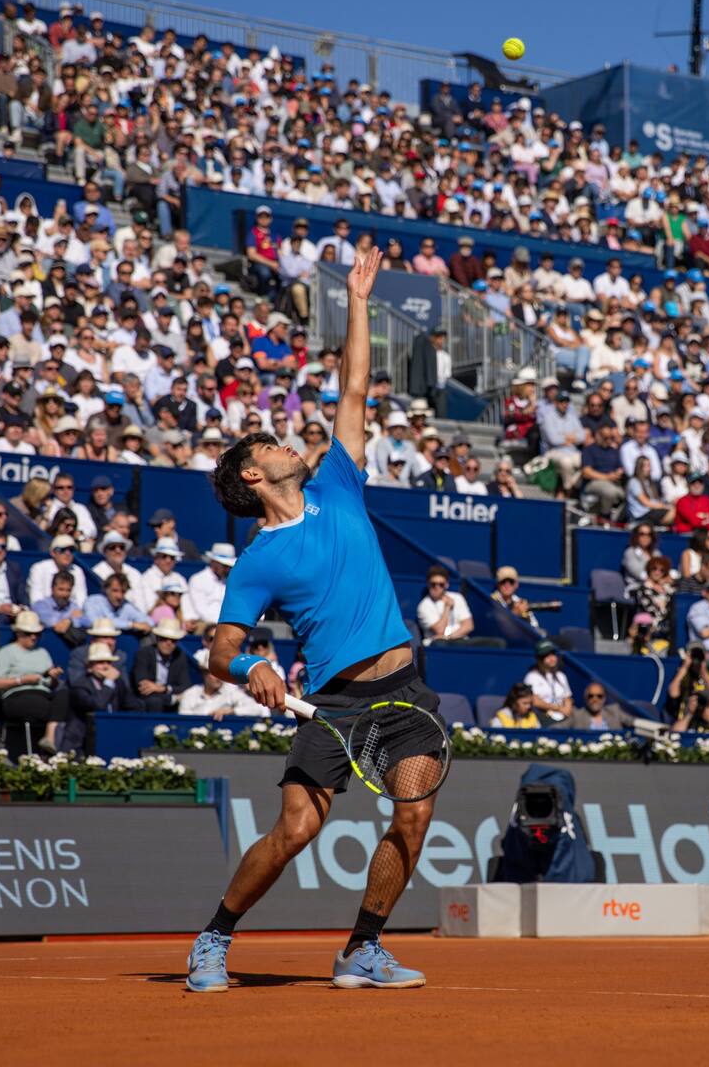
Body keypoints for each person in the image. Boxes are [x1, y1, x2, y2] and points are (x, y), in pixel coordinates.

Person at [186, 247, 432, 993]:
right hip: (333, 707)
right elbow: (217, 648)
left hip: (405, 690)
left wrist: (358, 300)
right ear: (253, 476)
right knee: (297, 830)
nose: (285, 438)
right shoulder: (259, 557)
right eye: (268, 443)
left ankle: (362, 948)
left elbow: (354, 389)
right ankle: (214, 937)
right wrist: (249, 666)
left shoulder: (341, 486)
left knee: (413, 818)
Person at [0, 610, 67, 754]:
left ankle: (49, 737)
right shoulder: (6, 652)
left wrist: (53, 678)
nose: (33, 637)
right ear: (18, 633)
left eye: (37, 634)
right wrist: (22, 680)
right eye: (29, 633)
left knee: (65, 694)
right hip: (17, 697)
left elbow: (50, 683)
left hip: (43, 694)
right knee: (36, 705)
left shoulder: (43, 653)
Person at [64, 642, 143, 753]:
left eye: (108, 662)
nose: (106, 666)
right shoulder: (80, 686)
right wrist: (109, 682)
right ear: (90, 667)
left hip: (112, 735)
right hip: (83, 741)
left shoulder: (117, 683)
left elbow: (132, 706)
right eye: (100, 662)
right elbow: (98, 705)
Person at [132, 617, 195, 710]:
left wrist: (164, 688)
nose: (168, 643)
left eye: (173, 640)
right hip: (149, 700)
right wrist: (170, 696)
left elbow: (186, 685)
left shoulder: (180, 656)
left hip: (168, 697)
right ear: (157, 639)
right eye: (164, 639)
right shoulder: (144, 654)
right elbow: (142, 685)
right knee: (154, 701)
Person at [667, 647, 709, 733]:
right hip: (687, 716)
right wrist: (684, 667)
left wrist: (703, 671)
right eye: (694, 655)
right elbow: (673, 693)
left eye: (700, 655)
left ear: (706, 656)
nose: (697, 659)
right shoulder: (684, 675)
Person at [416, 565, 475, 646]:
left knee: (493, 643)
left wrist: (449, 637)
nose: (437, 587)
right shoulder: (423, 606)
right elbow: (440, 630)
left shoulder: (458, 597)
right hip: (436, 644)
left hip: (459, 639)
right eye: (433, 584)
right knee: (441, 644)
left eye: (441, 584)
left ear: (446, 585)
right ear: (428, 584)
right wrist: (447, 607)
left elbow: (468, 625)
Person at [178, 669, 267, 719]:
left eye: (221, 674)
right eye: (214, 674)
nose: (219, 678)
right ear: (204, 675)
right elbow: (183, 718)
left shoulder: (230, 691)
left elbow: (257, 709)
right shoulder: (191, 693)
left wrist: (231, 711)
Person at [186, 543, 235, 631]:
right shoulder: (198, 579)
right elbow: (202, 610)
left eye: (229, 566)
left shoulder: (229, 581)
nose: (228, 569)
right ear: (214, 562)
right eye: (225, 566)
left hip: (226, 625)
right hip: (207, 625)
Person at [523, 640, 573, 724]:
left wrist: (567, 710)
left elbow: (567, 698)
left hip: (563, 717)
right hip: (542, 717)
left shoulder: (561, 676)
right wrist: (557, 708)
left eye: (553, 653)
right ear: (538, 659)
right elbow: (533, 700)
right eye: (546, 655)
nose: (551, 658)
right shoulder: (531, 677)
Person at [85, 571, 152, 633]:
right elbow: (95, 622)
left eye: (123, 592)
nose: (119, 596)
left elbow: (149, 621)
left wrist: (143, 625)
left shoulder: (125, 606)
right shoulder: (93, 602)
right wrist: (131, 625)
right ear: (106, 589)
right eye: (115, 591)